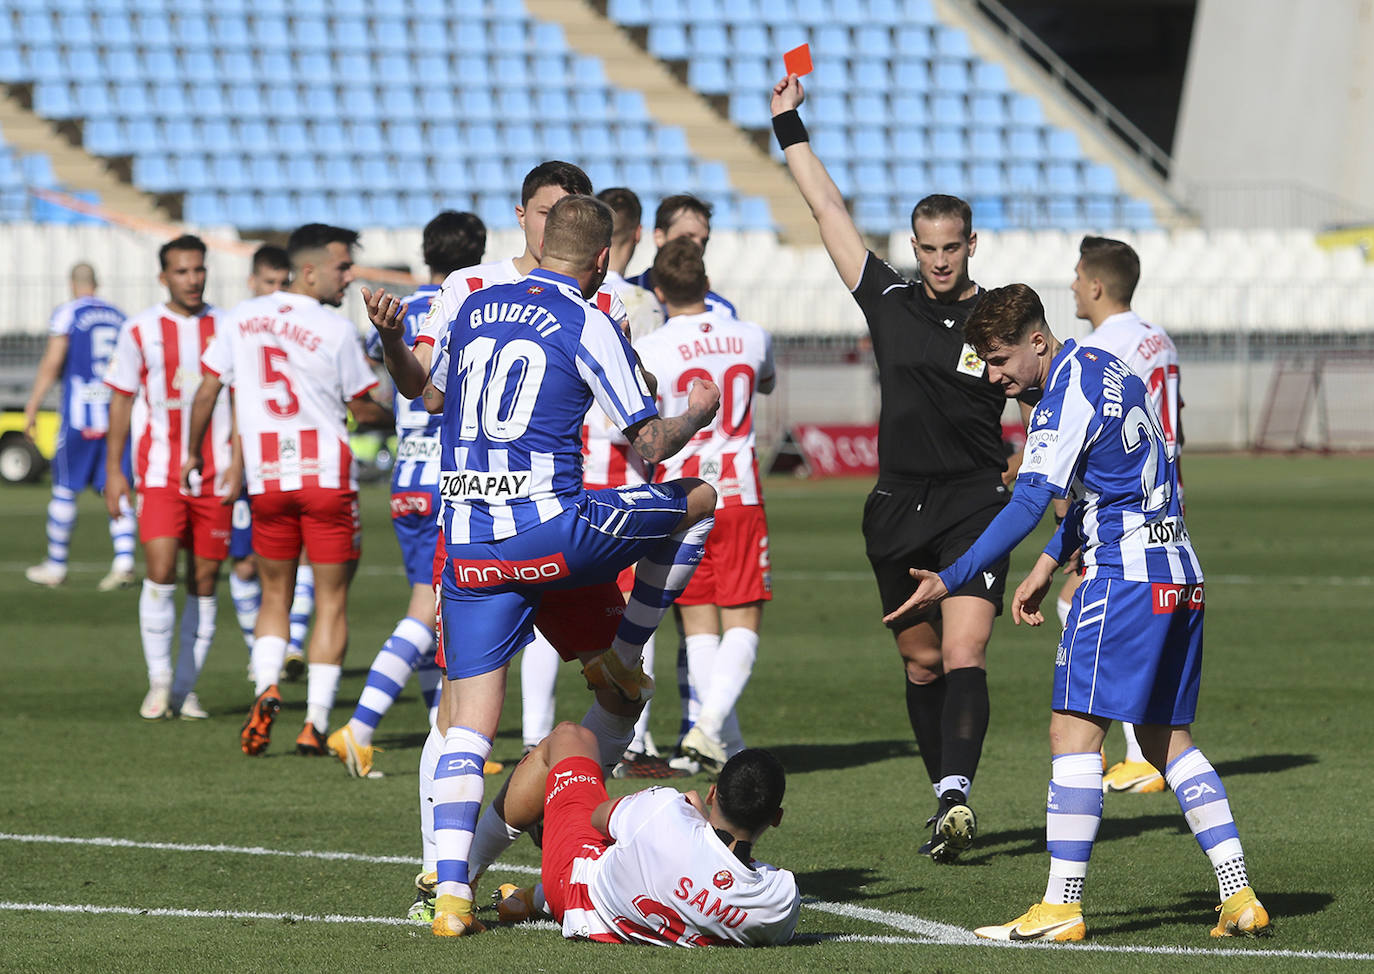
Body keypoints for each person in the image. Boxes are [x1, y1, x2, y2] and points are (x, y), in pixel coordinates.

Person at [885, 283, 1269, 942]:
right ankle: (1239, 896)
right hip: (1178, 573)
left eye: (1002, 360)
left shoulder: (1063, 397)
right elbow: (1114, 477)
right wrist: (1044, 565)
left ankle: (1061, 906)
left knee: (1072, 735)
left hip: (1121, 581)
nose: (997, 377)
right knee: (1164, 740)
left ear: (1038, 339)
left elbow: (1027, 502)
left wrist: (950, 578)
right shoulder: (1104, 364)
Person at [413, 194, 721, 936]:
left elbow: (429, 394)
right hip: (556, 535)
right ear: (604, 260)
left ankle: (449, 891)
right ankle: (622, 651)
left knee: (469, 729)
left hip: (472, 546)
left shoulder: (473, 305)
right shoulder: (588, 318)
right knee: (699, 496)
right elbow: (649, 447)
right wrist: (697, 411)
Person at [770, 73, 1010, 862]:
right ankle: (941, 787)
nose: (940, 260)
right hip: (899, 505)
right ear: (914, 247)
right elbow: (827, 211)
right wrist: (788, 125)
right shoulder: (889, 299)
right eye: (928, 248)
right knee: (923, 663)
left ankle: (956, 797)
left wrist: (1033, 465)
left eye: (953, 247)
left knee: (967, 651)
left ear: (972, 245)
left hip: (977, 500)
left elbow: (1041, 387)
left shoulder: (1002, 315)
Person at [184, 223, 392, 756]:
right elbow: (363, 405)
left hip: (267, 480)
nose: (349, 277)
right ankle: (314, 724)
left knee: (273, 594)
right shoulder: (335, 328)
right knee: (331, 601)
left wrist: (193, 451)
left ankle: (267, 687)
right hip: (325, 480)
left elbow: (207, 390)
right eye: (342, 267)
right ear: (310, 270)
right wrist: (392, 414)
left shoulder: (240, 317)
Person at [326, 211, 488, 778]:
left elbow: (389, 373)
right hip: (447, 475)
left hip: (405, 478)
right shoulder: (470, 306)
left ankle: (440, 729)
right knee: (429, 609)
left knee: (432, 602)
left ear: (426, 253)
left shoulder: (408, 309)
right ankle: (360, 727)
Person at [635, 238, 776, 772]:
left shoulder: (652, 346)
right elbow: (765, 382)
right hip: (739, 492)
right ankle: (708, 730)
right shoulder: (752, 337)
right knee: (742, 618)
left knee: (697, 623)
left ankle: (712, 735)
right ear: (708, 282)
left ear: (661, 289)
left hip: (679, 494)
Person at [486, 721, 799, 946]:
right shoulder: (780, 899)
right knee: (635, 849)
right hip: (619, 911)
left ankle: (462, 875)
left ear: (712, 793)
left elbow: (599, 818)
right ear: (777, 818)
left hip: (576, 891)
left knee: (571, 736)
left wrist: (691, 815)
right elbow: (726, 874)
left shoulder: (665, 810)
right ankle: (530, 898)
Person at [1065, 236, 1184, 796]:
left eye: (1076, 275)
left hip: (1123, 501)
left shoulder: (1103, 347)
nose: (1071, 285)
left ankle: (1131, 747)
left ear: (1095, 284)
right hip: (1166, 492)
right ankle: (1143, 744)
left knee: (1077, 602)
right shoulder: (1159, 338)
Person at [103, 236, 234, 721]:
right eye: (182, 271)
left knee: (203, 580)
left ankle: (186, 688)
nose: (193, 279)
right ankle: (159, 683)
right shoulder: (139, 330)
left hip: (216, 474)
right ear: (164, 277)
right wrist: (114, 470)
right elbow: (120, 398)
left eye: (199, 270)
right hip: (158, 474)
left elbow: (239, 399)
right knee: (159, 571)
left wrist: (239, 460)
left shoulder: (227, 326)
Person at [23, 263, 136, 591]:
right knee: (117, 487)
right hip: (116, 415)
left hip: (80, 416)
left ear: (73, 284)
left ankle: (56, 565)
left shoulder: (68, 314)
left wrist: (32, 405)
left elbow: (53, 362)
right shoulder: (120, 316)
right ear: (96, 283)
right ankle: (125, 561)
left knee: (64, 489)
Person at [227, 244, 294, 656]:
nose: (276, 291)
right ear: (252, 282)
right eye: (269, 283)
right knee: (245, 562)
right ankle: (260, 647)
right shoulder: (237, 326)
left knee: (295, 559)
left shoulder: (302, 326)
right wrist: (234, 464)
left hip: (292, 458)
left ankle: (290, 646)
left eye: (282, 283)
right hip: (249, 461)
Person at [627, 193, 737, 319]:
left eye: (703, 241)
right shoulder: (621, 297)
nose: (697, 246)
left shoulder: (721, 311)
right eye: (687, 237)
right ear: (659, 237)